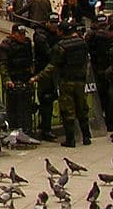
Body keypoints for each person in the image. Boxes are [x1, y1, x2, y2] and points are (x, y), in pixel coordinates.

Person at [37, 20, 93, 148]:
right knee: (82, 108)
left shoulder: (60, 47)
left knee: (68, 111)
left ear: (61, 31)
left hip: (66, 81)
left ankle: (70, 139)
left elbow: (53, 65)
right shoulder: (82, 42)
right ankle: (86, 136)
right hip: (80, 80)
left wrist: (38, 77)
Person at [0, 24, 35, 134]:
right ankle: (14, 129)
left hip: (26, 78)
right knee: (13, 107)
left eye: (24, 34)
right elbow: (3, 64)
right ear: (13, 33)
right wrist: (7, 79)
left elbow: (30, 59)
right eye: (20, 34)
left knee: (26, 107)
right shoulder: (6, 45)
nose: (23, 37)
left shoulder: (27, 43)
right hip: (13, 80)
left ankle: (27, 129)